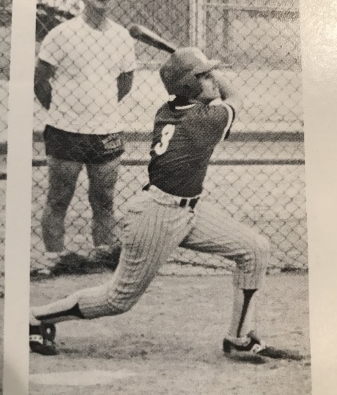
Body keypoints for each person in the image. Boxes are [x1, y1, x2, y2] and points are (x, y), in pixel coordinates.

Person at [30, 47, 296, 361]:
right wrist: (204, 73)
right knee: (118, 300)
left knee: (254, 249)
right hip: (157, 215)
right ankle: (36, 318)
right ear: (188, 86)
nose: (212, 81)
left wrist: (194, 69)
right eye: (204, 77)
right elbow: (234, 95)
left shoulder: (169, 107)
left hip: (189, 209)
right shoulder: (203, 120)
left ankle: (239, 338)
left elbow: (203, 91)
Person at [34, 0, 137, 260]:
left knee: (104, 201)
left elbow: (125, 81)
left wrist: (100, 109)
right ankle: (56, 258)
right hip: (66, 130)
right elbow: (40, 80)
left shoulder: (121, 36)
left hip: (106, 131)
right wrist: (63, 111)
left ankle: (102, 253)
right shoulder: (62, 34)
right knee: (58, 199)